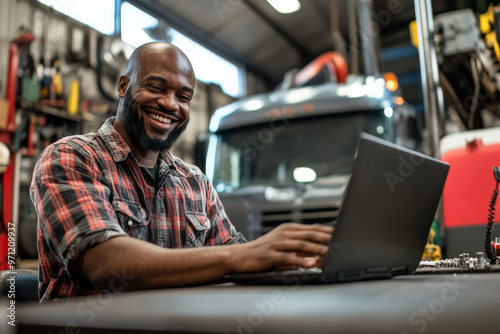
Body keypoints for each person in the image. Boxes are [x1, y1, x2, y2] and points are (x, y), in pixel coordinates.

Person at [30, 42, 333, 301]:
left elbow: (236, 253)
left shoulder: (194, 183)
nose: (170, 104)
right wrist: (243, 256)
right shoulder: (70, 158)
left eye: (184, 97)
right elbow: (103, 263)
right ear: (123, 86)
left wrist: (299, 257)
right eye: (156, 87)